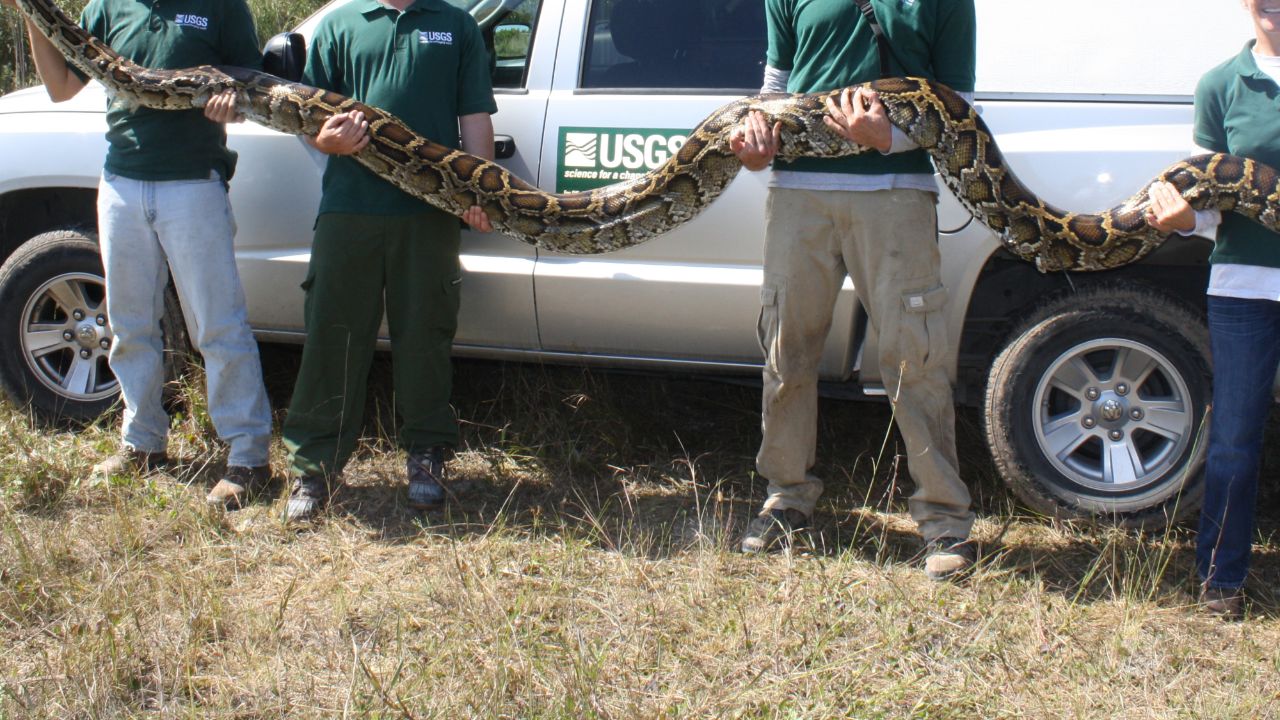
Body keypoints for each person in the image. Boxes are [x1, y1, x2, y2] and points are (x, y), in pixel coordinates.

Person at [729, 0, 979, 579]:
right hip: (799, 195)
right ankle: (786, 497)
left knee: (914, 356)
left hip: (895, 193)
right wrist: (756, 138)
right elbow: (776, 87)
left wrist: (888, 138)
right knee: (786, 350)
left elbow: (960, 105)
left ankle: (944, 519)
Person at [10, 0, 274, 508]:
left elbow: (253, 90)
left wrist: (231, 104)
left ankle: (247, 455)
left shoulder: (221, 7)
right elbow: (62, 87)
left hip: (194, 183)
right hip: (122, 183)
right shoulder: (108, 6)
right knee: (129, 322)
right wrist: (31, 13)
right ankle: (142, 442)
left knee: (217, 324)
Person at [280, 0, 497, 522]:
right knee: (333, 332)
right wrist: (325, 140)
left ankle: (426, 453)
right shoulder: (340, 24)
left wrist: (483, 195)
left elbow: (475, 119)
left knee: (426, 331)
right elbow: (310, 118)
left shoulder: (456, 24)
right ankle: (314, 466)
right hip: (347, 208)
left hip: (429, 212)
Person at [1145, 0, 1280, 618]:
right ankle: (1220, 579)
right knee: (1233, 438)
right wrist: (1183, 219)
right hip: (1244, 288)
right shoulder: (1222, 84)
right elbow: (1206, 195)